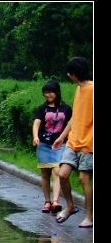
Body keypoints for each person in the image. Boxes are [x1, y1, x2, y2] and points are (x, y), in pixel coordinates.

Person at [54, 57, 93, 228]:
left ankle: (89, 217)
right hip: (73, 141)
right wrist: (62, 136)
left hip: (89, 143)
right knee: (62, 175)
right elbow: (74, 117)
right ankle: (70, 206)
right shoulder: (78, 90)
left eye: (70, 73)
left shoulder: (92, 89)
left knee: (84, 179)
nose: (69, 76)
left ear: (75, 74)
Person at [32, 80, 71, 214]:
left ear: (57, 92)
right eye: (45, 92)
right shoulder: (42, 109)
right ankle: (47, 201)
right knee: (45, 173)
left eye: (50, 92)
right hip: (44, 144)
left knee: (57, 170)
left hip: (60, 144)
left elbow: (70, 125)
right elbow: (37, 123)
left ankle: (55, 202)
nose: (47, 95)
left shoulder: (66, 108)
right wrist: (35, 136)